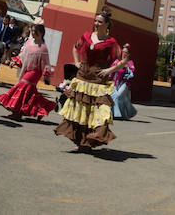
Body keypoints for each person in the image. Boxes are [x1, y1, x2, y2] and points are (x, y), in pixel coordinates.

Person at [54, 8, 126, 151]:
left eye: (100, 22)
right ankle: (81, 143)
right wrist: (76, 62)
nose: (96, 23)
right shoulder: (86, 36)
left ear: (106, 25)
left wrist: (108, 70)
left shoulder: (111, 42)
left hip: (98, 82)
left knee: (100, 112)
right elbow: (75, 48)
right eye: (95, 21)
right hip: (82, 77)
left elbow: (123, 61)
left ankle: (93, 138)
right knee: (80, 111)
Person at [0, 23, 54, 121]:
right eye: (32, 31)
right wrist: (14, 62)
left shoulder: (43, 47)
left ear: (40, 33)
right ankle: (42, 108)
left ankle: (17, 112)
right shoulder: (29, 42)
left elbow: (46, 63)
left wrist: (46, 75)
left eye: (35, 31)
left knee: (22, 86)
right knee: (30, 92)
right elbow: (23, 54)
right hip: (26, 70)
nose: (33, 33)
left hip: (35, 72)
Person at [111, 44, 137, 120]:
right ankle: (121, 114)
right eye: (123, 52)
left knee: (118, 96)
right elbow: (111, 71)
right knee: (118, 98)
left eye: (126, 52)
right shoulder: (117, 61)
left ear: (129, 54)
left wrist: (127, 67)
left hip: (125, 84)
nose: (124, 54)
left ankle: (118, 114)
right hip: (116, 83)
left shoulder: (130, 63)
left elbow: (132, 74)